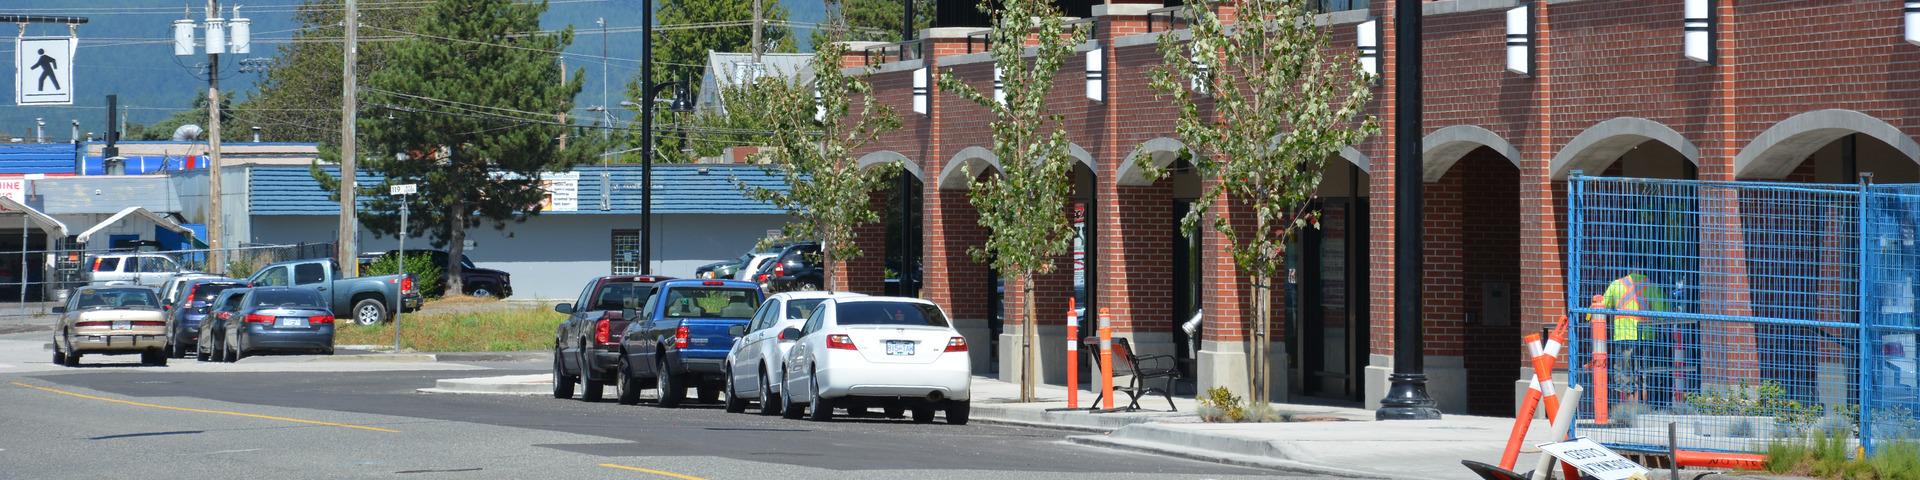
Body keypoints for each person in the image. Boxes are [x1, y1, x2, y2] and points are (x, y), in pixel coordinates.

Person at [1598, 272, 1669, 407]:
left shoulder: (1616, 285)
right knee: (1643, 373)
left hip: (1623, 336)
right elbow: (1662, 313)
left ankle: (1630, 408)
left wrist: (1588, 316)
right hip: (1645, 337)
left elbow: (1600, 306)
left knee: (1625, 373)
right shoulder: (1651, 286)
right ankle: (1643, 407)